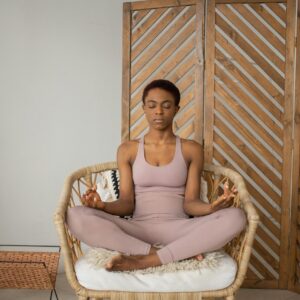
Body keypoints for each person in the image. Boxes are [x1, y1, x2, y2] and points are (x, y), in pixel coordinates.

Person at [66, 79, 247, 272]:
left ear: (176, 109)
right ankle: (163, 253)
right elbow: (127, 203)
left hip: (180, 230)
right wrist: (103, 206)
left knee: (236, 216)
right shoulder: (128, 149)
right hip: (137, 231)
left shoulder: (191, 149)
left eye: (166, 106)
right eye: (152, 105)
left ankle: (144, 261)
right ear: (144, 108)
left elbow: (190, 203)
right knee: (75, 215)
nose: (158, 112)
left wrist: (212, 207)